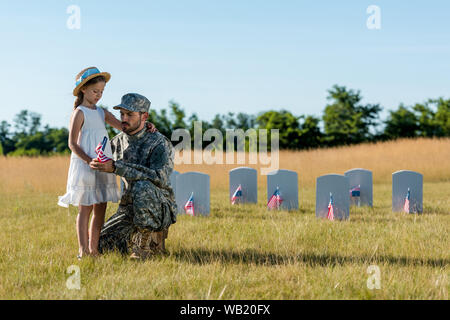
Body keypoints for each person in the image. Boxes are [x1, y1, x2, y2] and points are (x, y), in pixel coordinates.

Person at [58, 67, 155, 259]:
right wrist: (88, 160)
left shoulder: (102, 113)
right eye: (95, 91)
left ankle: (94, 249)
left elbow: (125, 127)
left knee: (100, 208)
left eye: (102, 92)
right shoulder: (79, 112)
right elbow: (71, 143)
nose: (98, 95)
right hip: (85, 164)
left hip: (103, 164)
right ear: (84, 89)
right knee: (85, 208)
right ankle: (83, 250)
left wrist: (145, 124)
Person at [90, 93, 177, 260]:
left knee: (142, 185)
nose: (124, 118)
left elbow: (160, 177)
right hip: (129, 207)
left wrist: (117, 167)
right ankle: (132, 239)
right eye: (122, 114)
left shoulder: (159, 142)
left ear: (144, 116)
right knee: (103, 245)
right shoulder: (116, 142)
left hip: (158, 205)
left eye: (130, 114)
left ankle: (145, 245)